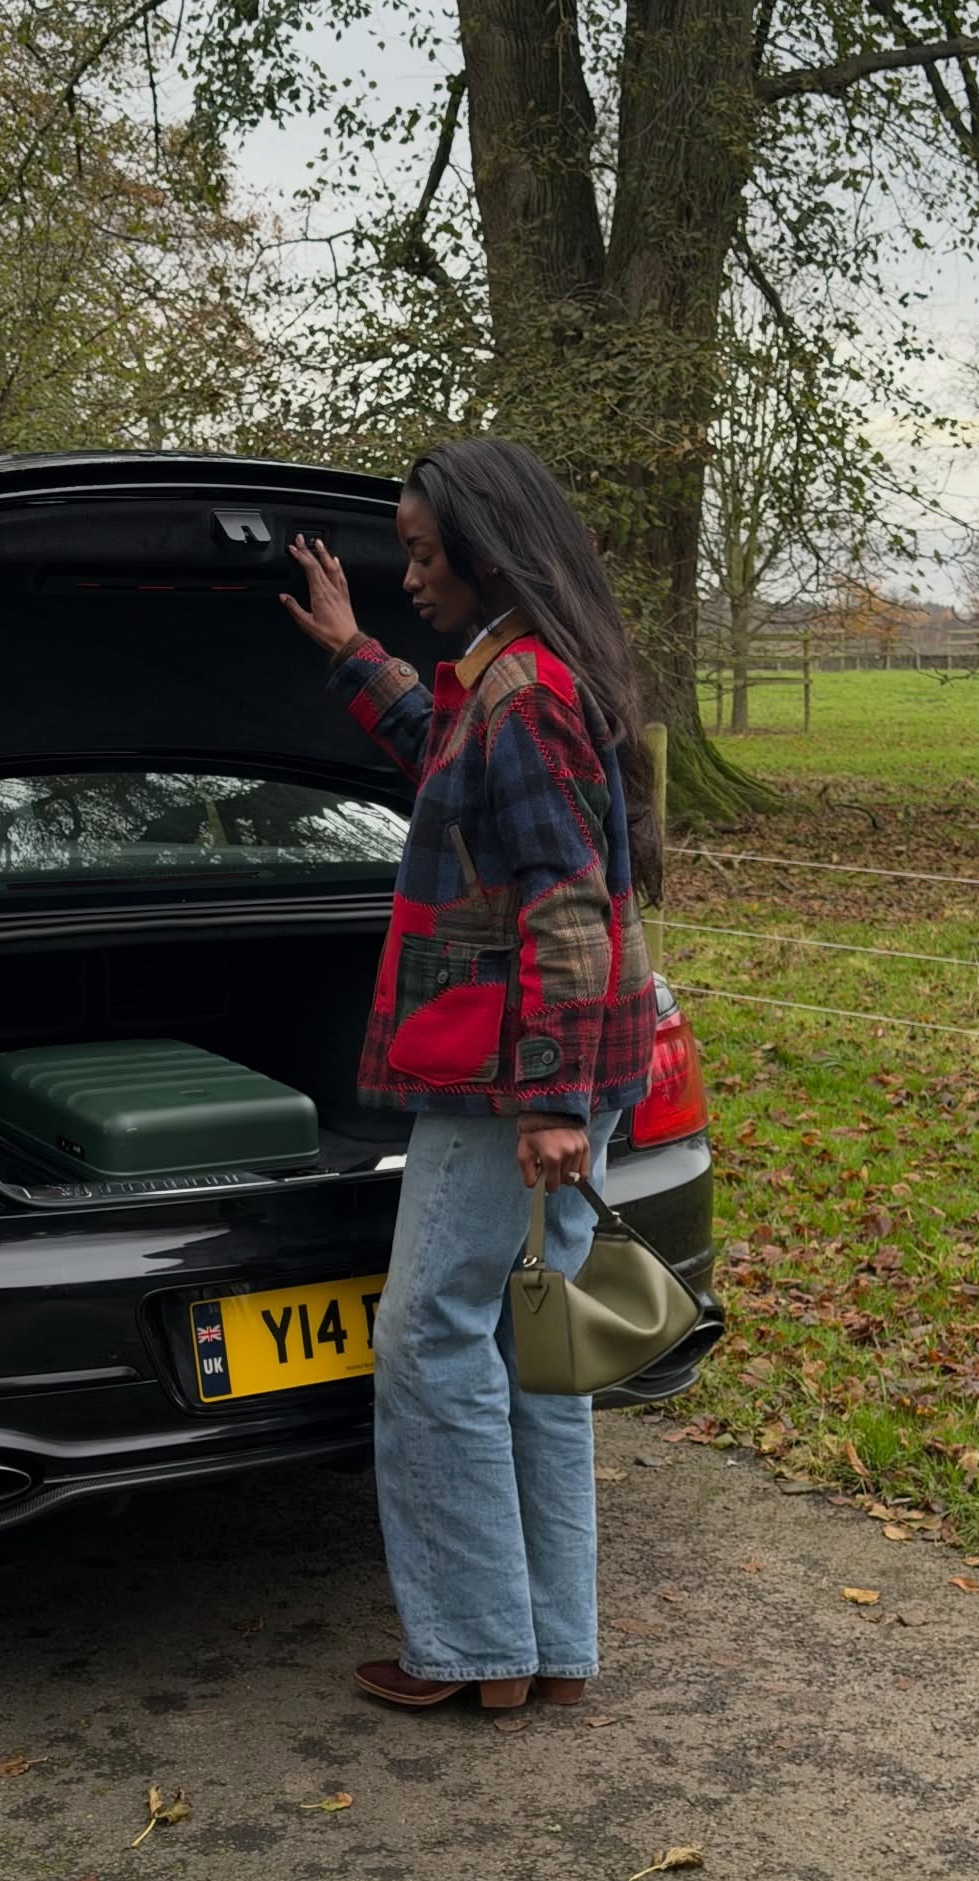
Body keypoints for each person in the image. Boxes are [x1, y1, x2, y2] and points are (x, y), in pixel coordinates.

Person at [280, 438, 660, 1712]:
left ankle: (472, 1649)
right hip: (557, 1073)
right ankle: (544, 1651)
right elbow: (450, 755)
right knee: (532, 1341)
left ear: (489, 555)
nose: (411, 576)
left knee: (431, 1334)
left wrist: (551, 1099)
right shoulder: (518, 680)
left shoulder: (527, 694)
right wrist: (350, 650)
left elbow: (566, 898)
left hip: (518, 1084)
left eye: (427, 555)